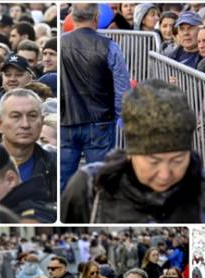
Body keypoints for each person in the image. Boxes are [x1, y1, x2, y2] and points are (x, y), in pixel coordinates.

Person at [61, 79, 205, 223]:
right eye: (153, 161)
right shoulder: (90, 186)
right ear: (131, 154)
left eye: (177, 160)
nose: (165, 174)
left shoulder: (204, 188)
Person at [60, 3, 129, 191]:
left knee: (62, 182)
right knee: (102, 183)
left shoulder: (59, 44)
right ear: (97, 18)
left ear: (72, 18)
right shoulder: (110, 46)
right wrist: (118, 117)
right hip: (100, 123)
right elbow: (122, 89)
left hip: (65, 122)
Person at [0, 89, 57, 202]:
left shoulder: (57, 165)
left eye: (32, 116)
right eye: (16, 116)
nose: (25, 124)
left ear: (42, 122)